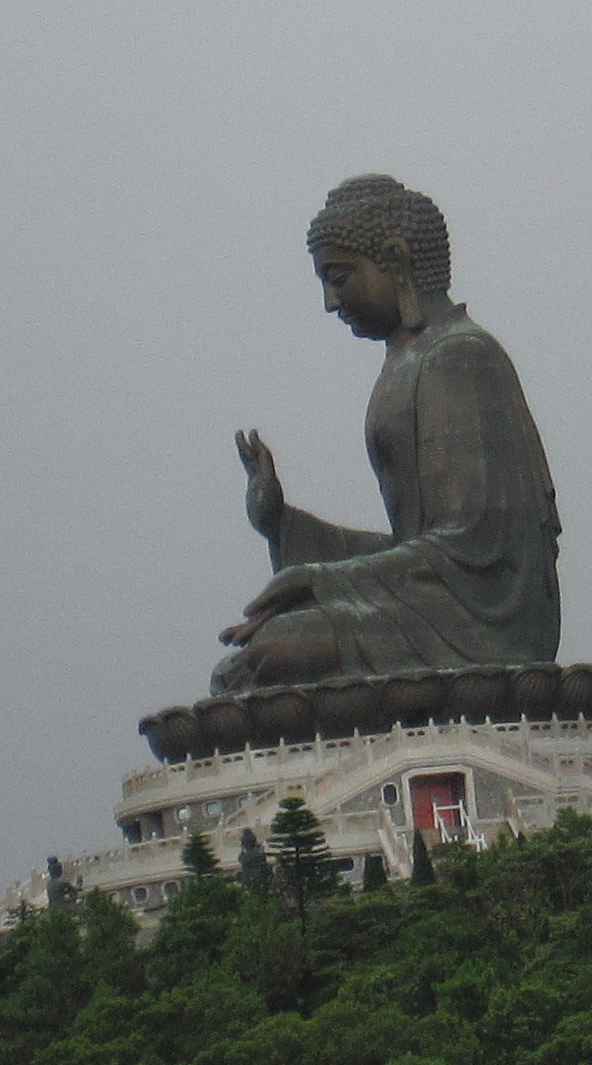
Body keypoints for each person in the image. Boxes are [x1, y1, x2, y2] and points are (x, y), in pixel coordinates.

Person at [214, 175, 561, 691]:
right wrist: (284, 526)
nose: (331, 302)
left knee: (271, 657)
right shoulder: (408, 362)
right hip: (430, 603)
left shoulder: (459, 357)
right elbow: (415, 547)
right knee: (247, 665)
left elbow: (476, 549)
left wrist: (323, 581)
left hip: (486, 623)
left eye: (341, 277)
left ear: (395, 261)